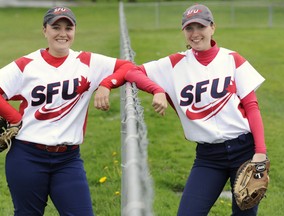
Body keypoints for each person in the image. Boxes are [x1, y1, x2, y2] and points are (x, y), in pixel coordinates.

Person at [125, 3, 268, 216]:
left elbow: (252, 107)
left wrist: (260, 153)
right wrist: (157, 89)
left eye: (200, 27)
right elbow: (130, 71)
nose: (195, 34)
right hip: (209, 157)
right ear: (183, 32)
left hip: (244, 151)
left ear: (212, 28)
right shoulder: (175, 64)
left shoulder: (232, 59)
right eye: (189, 28)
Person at [0, 6, 134, 215]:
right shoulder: (27, 64)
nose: (62, 33)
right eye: (56, 27)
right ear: (45, 30)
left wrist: (106, 84)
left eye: (68, 27)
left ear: (74, 31)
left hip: (68, 160)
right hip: (27, 156)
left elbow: (128, 67)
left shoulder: (87, 62)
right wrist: (14, 117)